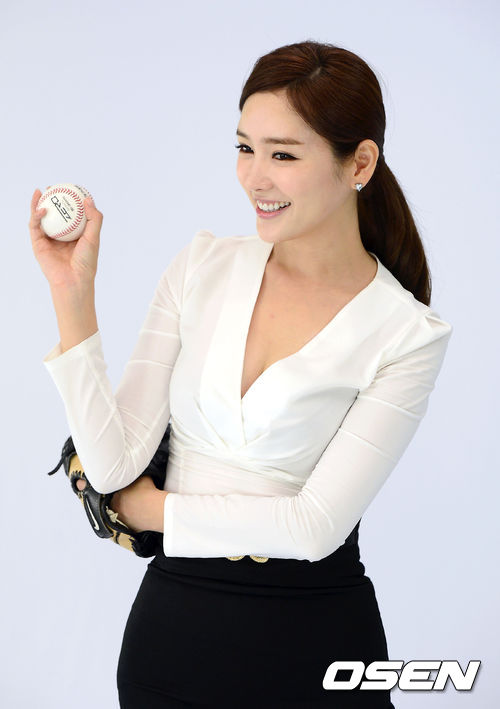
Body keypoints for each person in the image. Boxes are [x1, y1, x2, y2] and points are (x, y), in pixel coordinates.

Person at [30, 40, 452, 708]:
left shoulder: (406, 333)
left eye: (283, 155)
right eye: (244, 147)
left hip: (316, 647)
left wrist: (151, 510)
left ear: (360, 163)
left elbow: (314, 527)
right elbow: (112, 465)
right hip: (169, 641)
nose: (255, 177)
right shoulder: (201, 266)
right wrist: (71, 294)